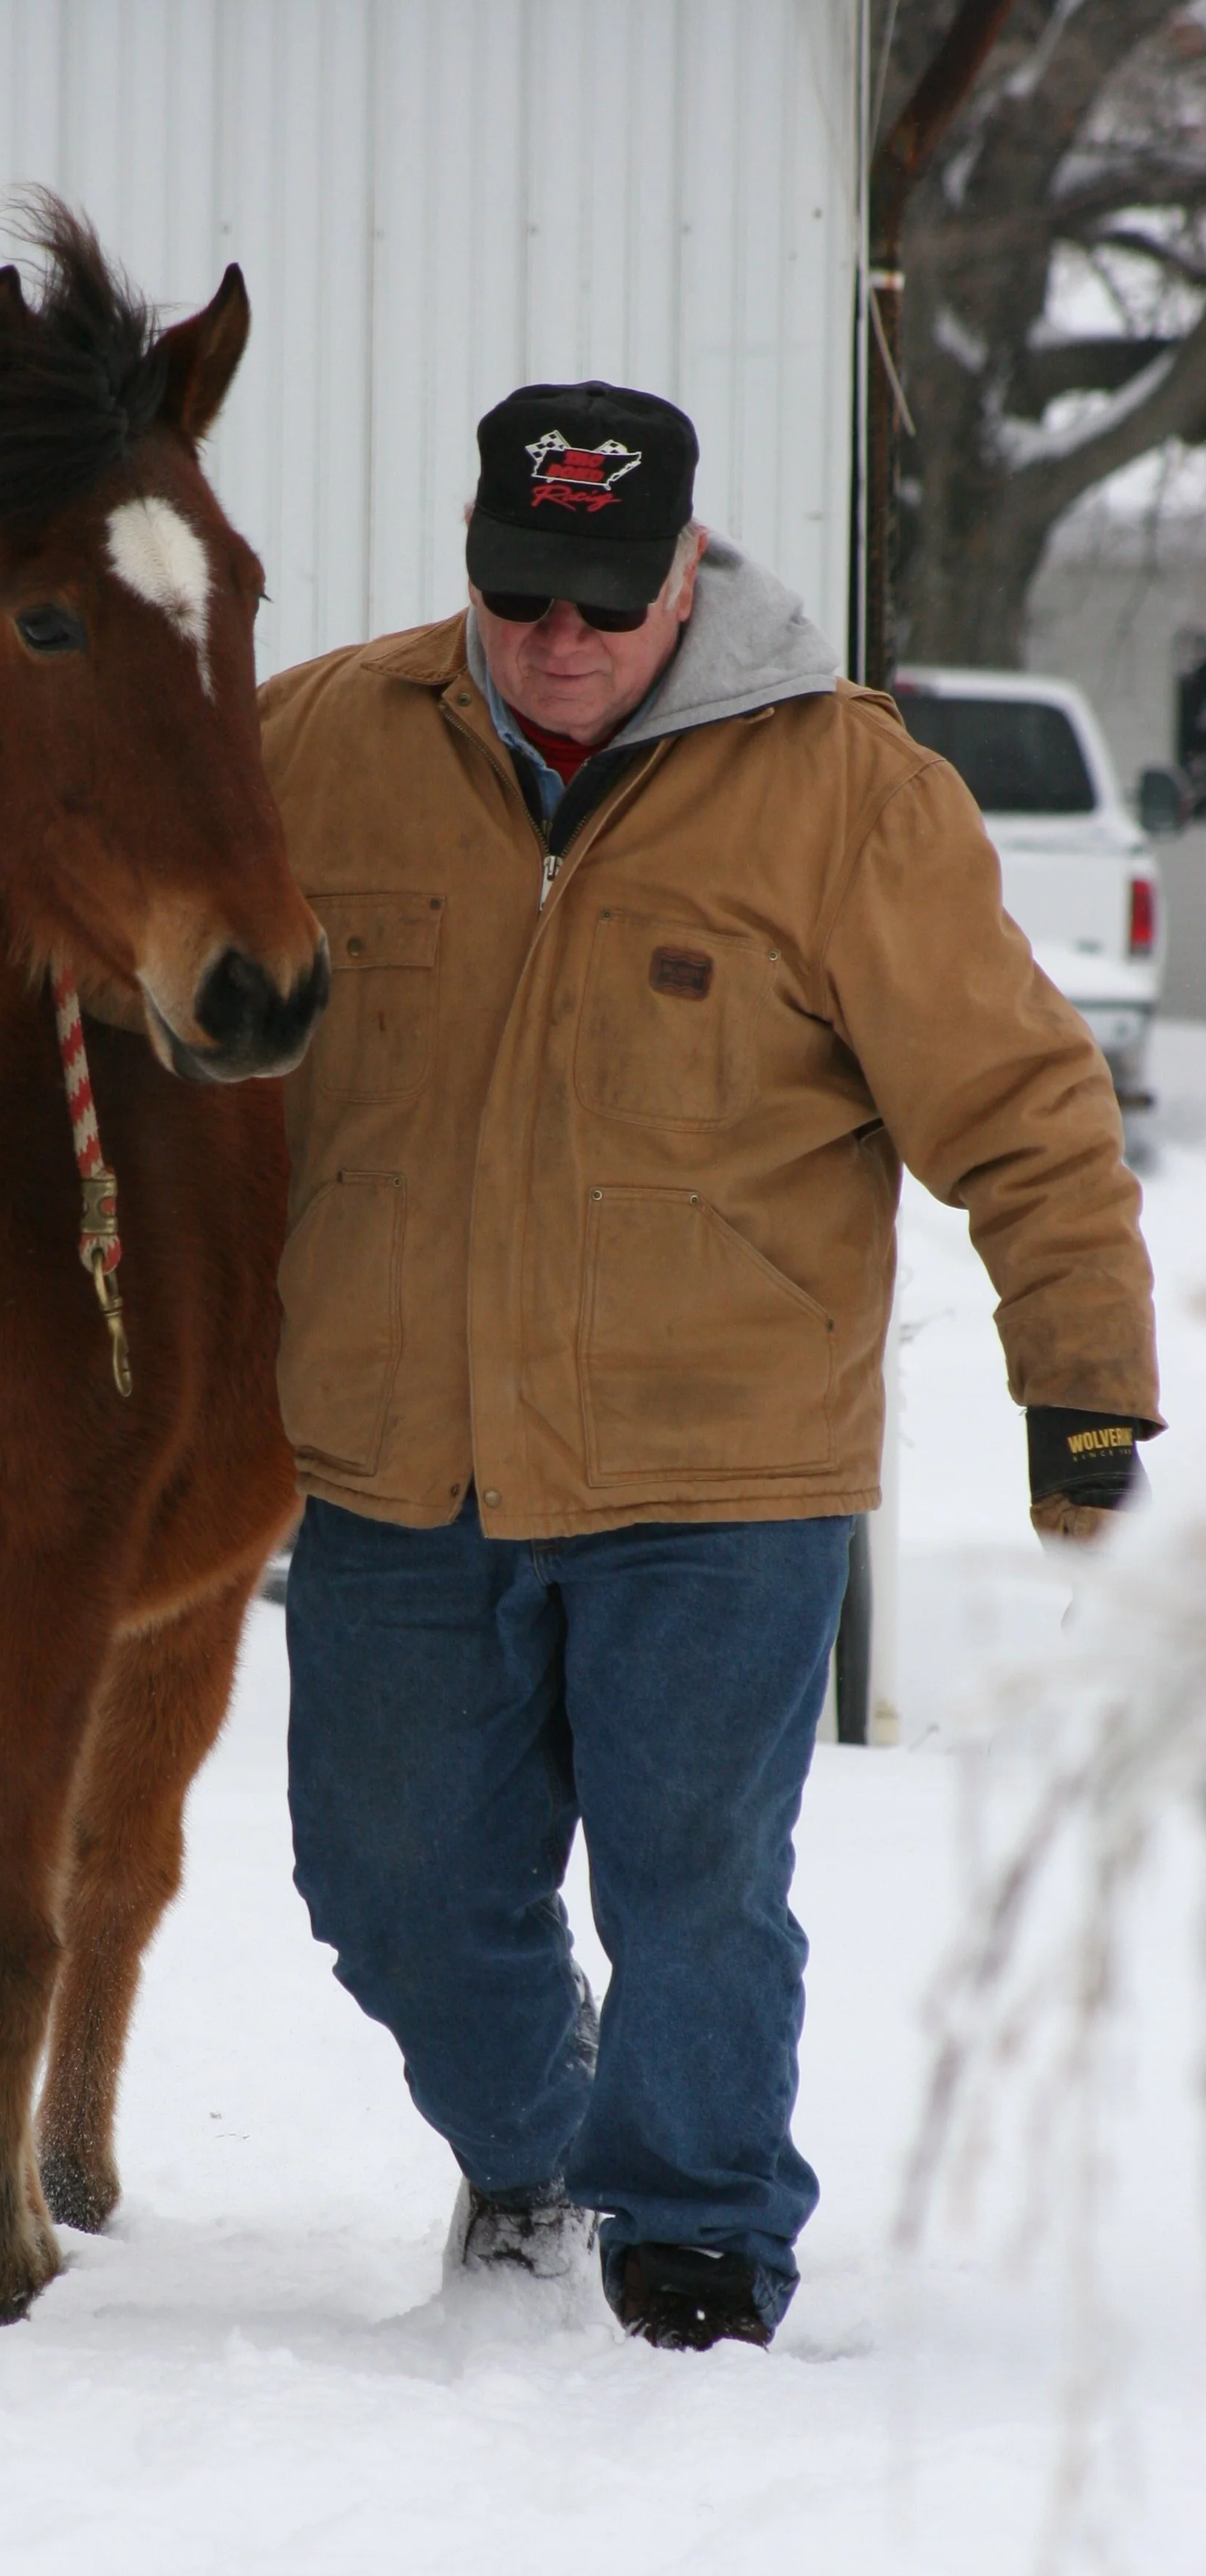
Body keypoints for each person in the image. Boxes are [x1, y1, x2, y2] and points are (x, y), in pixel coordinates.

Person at [257, 381, 1160, 2351]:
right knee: (383, 1878)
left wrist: (1077, 1386)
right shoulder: (327, 742)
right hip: (401, 1454)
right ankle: (529, 2147)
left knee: (692, 1888)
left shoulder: (842, 790)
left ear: (685, 575)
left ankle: (691, 2232)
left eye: (600, 601)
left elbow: (1017, 1106)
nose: (555, 645)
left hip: (719, 1469)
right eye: (516, 601)